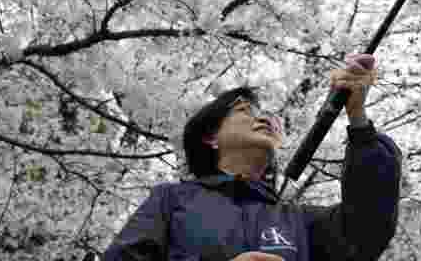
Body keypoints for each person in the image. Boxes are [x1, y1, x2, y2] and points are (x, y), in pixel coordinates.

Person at [103, 53, 402, 261]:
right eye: (246, 111)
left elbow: (367, 228)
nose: (264, 119)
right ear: (210, 136)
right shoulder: (172, 200)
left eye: (266, 115)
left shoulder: (300, 221)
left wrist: (358, 119)